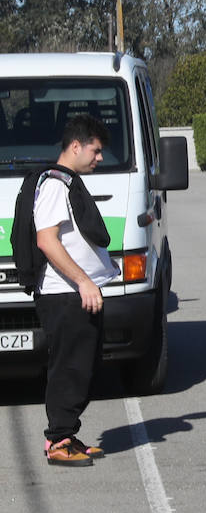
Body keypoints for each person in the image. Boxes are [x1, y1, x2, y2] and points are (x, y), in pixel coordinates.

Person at [34, 113, 117, 468]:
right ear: (75, 146)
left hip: (77, 293)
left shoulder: (67, 182)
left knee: (83, 366)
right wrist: (83, 281)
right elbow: (46, 241)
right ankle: (57, 441)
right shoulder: (54, 185)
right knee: (69, 367)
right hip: (64, 294)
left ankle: (67, 434)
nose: (100, 158)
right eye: (96, 151)